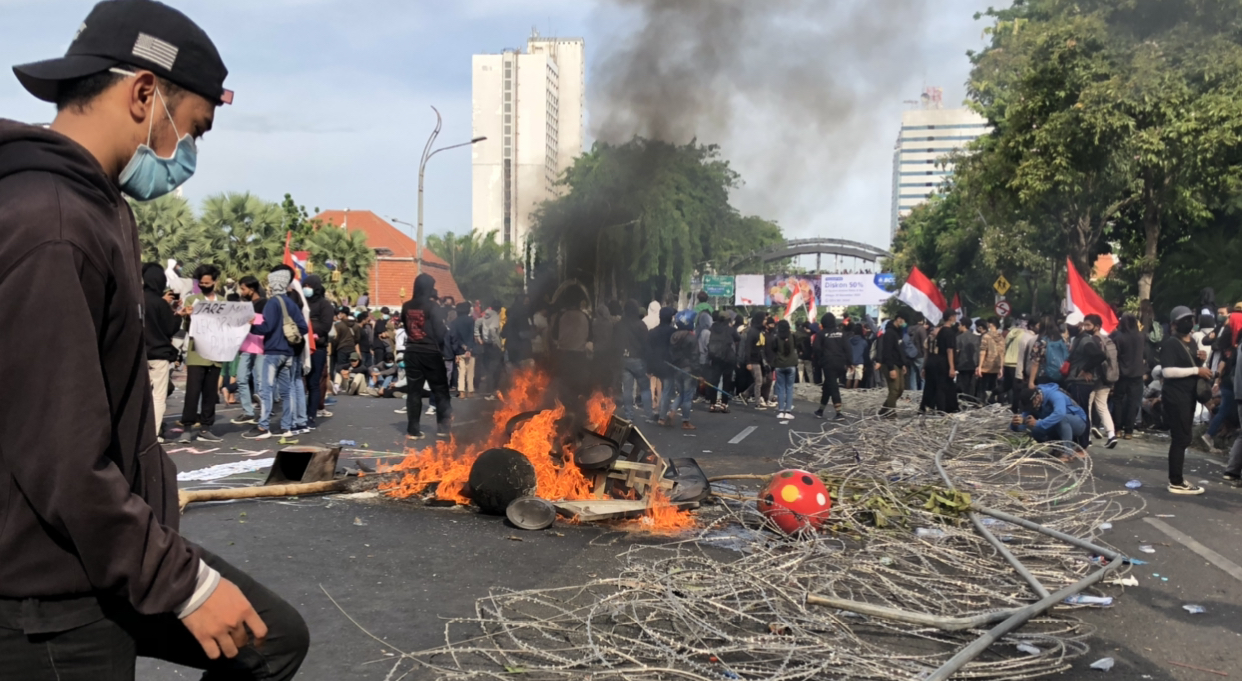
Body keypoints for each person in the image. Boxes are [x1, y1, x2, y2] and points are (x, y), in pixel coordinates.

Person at [0, 1, 309, 676]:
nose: (187, 154)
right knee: (263, 640)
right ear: (144, 93)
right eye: (192, 129)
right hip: (52, 592)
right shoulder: (51, 223)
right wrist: (189, 586)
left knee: (275, 639)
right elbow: (62, 459)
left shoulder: (98, 205)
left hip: (106, 553)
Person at [242, 268, 307, 440]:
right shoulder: (292, 304)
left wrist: (251, 325)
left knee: (266, 390)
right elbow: (303, 327)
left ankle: (264, 426)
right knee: (287, 391)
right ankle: (287, 426)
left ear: (273, 283)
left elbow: (266, 328)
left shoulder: (272, 303)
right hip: (289, 352)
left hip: (272, 352)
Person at [1159, 306, 1210, 494]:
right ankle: (1176, 481)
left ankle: (1178, 479)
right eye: (1184, 320)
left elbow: (1191, 366)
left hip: (1189, 396)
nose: (1188, 322)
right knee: (1181, 438)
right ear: (1174, 324)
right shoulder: (1170, 343)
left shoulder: (1193, 343)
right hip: (1176, 396)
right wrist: (1197, 370)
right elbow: (1167, 371)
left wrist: (1201, 362)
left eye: (1190, 318)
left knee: (1184, 437)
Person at [178, 264, 225, 442]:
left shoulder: (222, 302)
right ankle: (188, 427)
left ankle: (206, 427)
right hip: (197, 353)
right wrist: (187, 316)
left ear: (214, 282)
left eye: (208, 282)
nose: (205, 285)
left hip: (216, 355)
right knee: (192, 392)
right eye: (202, 283)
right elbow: (187, 328)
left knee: (210, 393)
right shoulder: (192, 300)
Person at [403, 273, 452, 440]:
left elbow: (406, 326)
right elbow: (440, 332)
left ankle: (413, 430)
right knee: (440, 391)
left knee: (414, 392)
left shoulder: (406, 306)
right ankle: (443, 428)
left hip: (411, 351)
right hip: (430, 352)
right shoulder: (432, 307)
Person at [143, 263, 181, 441]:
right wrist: (177, 313)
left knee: (140, 395)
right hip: (159, 356)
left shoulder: (137, 300)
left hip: (139, 355)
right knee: (158, 396)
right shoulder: (160, 304)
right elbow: (170, 328)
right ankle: (153, 433)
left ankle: (140, 429)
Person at [1011, 385, 1089, 460]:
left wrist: (1038, 423)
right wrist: (1015, 424)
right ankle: (1058, 448)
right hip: (1058, 427)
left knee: (1062, 419)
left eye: (1031, 405)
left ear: (1037, 397)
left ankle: (1068, 453)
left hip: (1078, 424)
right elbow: (1023, 424)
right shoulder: (1033, 405)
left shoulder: (1055, 395)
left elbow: (1060, 414)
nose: (1031, 408)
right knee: (1035, 430)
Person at [229, 275, 267, 426]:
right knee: (242, 377)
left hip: (260, 346)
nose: (241, 291)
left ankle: (264, 411)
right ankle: (248, 411)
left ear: (251, 289)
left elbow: (267, 324)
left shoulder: (265, 304)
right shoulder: (244, 305)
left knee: (260, 380)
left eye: (243, 288)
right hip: (245, 345)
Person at [302, 274, 335, 427]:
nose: (306, 289)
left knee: (314, 383)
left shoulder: (324, 305)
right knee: (300, 383)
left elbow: (325, 326)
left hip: (318, 347)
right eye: (305, 286)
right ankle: (300, 413)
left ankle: (311, 414)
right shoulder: (301, 303)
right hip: (301, 347)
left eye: (309, 286)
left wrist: (310, 330)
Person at [616, 299, 655, 421]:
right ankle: (649, 415)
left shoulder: (619, 325)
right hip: (639, 360)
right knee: (644, 388)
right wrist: (650, 364)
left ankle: (629, 416)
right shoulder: (641, 325)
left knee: (627, 389)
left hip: (624, 359)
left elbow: (614, 344)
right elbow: (647, 345)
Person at [1110, 313, 1146, 440]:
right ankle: (1129, 431)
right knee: (1133, 402)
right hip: (1137, 374)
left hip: (1122, 373)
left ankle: (1118, 428)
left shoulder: (1119, 338)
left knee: (1118, 400)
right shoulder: (1141, 337)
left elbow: (1115, 355)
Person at [661, 318, 699, 429]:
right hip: (688, 369)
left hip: (676, 368)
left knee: (682, 393)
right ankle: (685, 421)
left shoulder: (673, 336)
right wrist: (698, 372)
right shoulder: (691, 337)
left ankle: (672, 411)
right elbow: (695, 356)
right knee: (687, 396)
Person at [921, 311, 959, 414]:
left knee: (932, 386)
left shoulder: (940, 332)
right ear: (951, 317)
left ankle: (927, 407)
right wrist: (952, 367)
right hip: (943, 362)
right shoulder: (949, 332)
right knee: (942, 386)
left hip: (934, 361)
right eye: (955, 316)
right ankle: (943, 408)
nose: (956, 318)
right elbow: (949, 350)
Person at [813, 312, 848, 419]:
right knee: (827, 385)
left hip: (828, 363)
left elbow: (816, 348)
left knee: (833, 386)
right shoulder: (841, 333)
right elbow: (847, 348)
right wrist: (849, 362)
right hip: (841, 363)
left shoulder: (821, 334)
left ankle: (839, 412)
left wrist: (819, 360)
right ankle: (820, 410)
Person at [705, 312, 741, 413]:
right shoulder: (730, 329)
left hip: (715, 357)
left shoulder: (712, 328)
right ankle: (724, 404)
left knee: (714, 381)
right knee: (727, 381)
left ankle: (712, 404)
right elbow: (738, 338)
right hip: (727, 358)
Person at [877, 313, 910, 417]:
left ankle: (884, 409)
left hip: (899, 364)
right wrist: (891, 368)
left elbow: (900, 350)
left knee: (900, 389)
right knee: (894, 390)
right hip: (890, 364)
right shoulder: (889, 333)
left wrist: (903, 364)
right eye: (903, 321)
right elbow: (887, 351)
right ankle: (891, 413)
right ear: (898, 319)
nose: (904, 323)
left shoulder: (898, 333)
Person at [1027, 315, 1068, 389]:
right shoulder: (1063, 340)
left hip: (1044, 377)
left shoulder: (1041, 342)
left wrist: (1031, 382)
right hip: (1062, 375)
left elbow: (1035, 362)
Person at [475, 301, 503, 398]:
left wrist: (478, 337)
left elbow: (477, 322)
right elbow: (492, 329)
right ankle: (492, 391)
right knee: (494, 369)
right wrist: (496, 342)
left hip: (486, 345)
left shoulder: (486, 315)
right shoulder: (495, 316)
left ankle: (489, 390)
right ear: (499, 309)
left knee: (488, 369)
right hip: (493, 346)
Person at [772, 319, 799, 419]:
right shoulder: (793, 337)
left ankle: (780, 410)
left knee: (780, 388)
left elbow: (773, 349)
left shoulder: (776, 338)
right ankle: (788, 411)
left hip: (779, 365)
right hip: (791, 364)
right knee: (789, 388)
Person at [742, 312, 770, 407]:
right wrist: (748, 362)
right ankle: (757, 402)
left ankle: (745, 394)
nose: (766, 321)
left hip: (760, 360)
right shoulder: (752, 331)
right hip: (753, 360)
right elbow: (748, 347)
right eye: (764, 319)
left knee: (763, 380)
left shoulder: (761, 331)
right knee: (759, 381)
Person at [451, 301, 478, 398]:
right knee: (470, 372)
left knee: (461, 371)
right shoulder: (471, 321)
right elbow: (472, 335)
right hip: (471, 350)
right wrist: (469, 349)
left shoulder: (454, 322)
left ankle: (461, 391)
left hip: (459, 350)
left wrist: (460, 348)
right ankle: (470, 391)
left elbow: (454, 338)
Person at [978, 318, 1005, 404]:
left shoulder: (986, 336)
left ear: (991, 324)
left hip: (986, 365)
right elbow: (1002, 352)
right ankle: (993, 401)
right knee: (994, 385)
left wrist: (979, 366)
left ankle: (983, 402)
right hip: (996, 365)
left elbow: (983, 352)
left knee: (984, 386)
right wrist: (1001, 367)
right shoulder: (1001, 337)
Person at [955, 317, 980, 401]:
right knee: (971, 385)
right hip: (974, 364)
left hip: (962, 365)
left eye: (959, 325)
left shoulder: (959, 338)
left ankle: (964, 401)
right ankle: (971, 400)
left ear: (964, 325)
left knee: (963, 385)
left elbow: (957, 352)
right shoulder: (976, 337)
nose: (958, 326)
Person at [331, 306, 359, 376]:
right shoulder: (355, 325)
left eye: (341, 313)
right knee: (351, 367)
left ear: (344, 314)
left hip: (342, 348)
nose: (339, 314)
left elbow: (336, 339)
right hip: (352, 348)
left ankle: (342, 384)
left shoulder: (339, 325)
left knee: (341, 368)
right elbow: (357, 338)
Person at [907, 318, 928, 390]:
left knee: (913, 376)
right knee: (923, 376)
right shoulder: (921, 329)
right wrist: (925, 355)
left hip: (911, 355)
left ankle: (913, 395)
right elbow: (924, 344)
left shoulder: (909, 329)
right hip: (920, 356)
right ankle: (921, 394)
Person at [846, 324, 867, 389]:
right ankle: (854, 391)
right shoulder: (864, 342)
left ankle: (847, 390)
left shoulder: (849, 340)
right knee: (857, 378)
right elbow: (865, 353)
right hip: (860, 361)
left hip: (850, 361)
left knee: (849, 377)